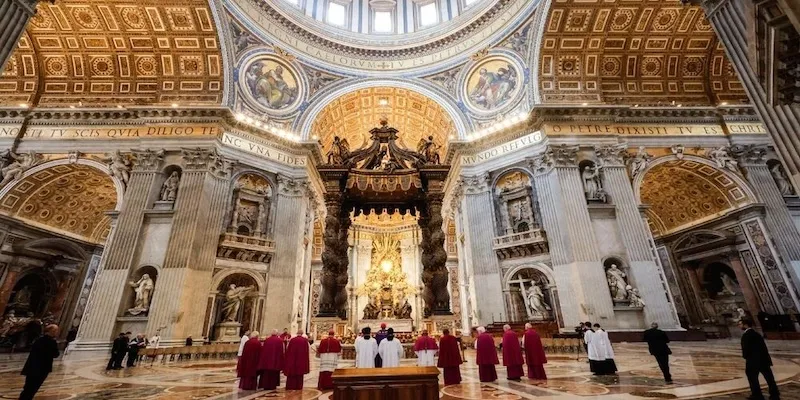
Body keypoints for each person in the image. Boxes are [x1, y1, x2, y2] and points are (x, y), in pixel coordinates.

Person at [740, 318, 780, 400]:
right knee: (769, 378)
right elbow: (763, 347)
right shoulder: (757, 334)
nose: (739, 326)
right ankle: (774, 394)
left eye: (740, 324)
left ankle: (757, 395)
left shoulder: (746, 335)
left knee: (752, 378)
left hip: (753, 361)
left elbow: (746, 349)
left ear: (745, 325)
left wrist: (745, 356)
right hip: (763, 360)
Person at [19, 324, 59, 400]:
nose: (57, 333)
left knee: (27, 388)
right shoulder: (51, 342)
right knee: (33, 388)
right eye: (56, 331)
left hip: (31, 367)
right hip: (42, 369)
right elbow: (56, 354)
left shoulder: (38, 340)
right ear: (52, 331)